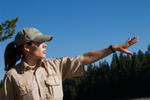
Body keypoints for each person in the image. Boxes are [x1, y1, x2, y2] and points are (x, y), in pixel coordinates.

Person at [0, 27, 139, 100]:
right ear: (27, 47)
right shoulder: (12, 77)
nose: (45, 45)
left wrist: (112, 49)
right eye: (40, 42)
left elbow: (85, 58)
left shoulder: (56, 66)